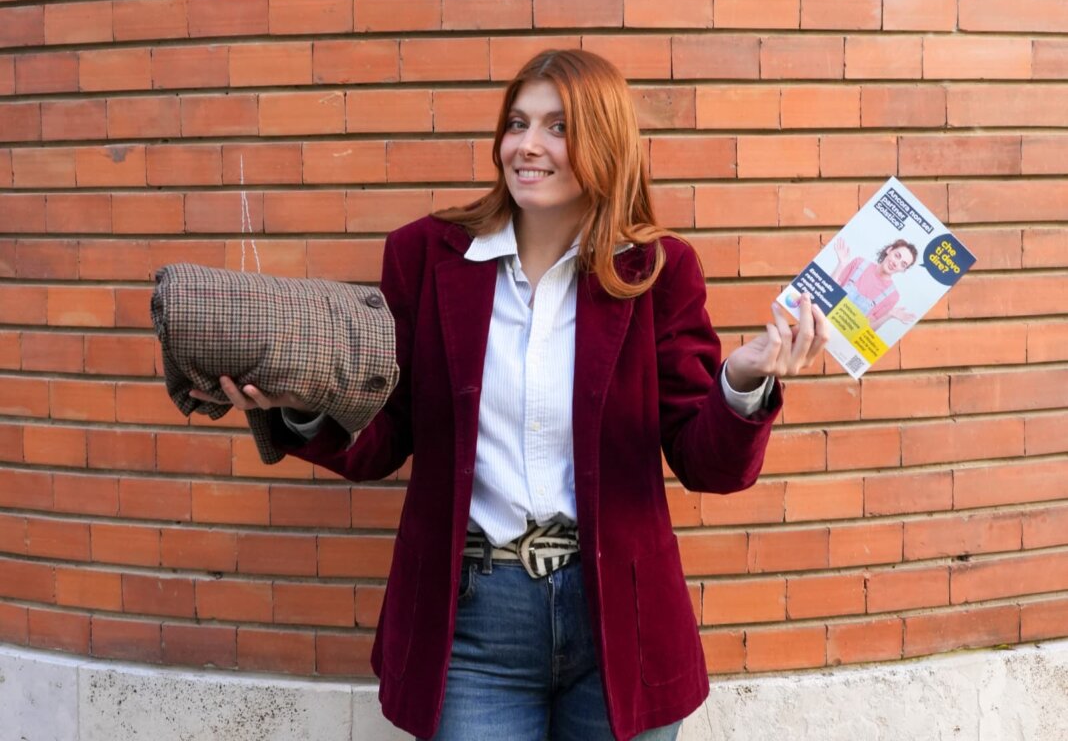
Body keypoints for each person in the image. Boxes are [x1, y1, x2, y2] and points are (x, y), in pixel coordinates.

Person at [192, 50, 830, 741]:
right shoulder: (425, 257)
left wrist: (741, 380)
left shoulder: (657, 272)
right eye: (517, 123)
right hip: (473, 620)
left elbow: (707, 464)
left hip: (619, 619)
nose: (527, 145)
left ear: (606, 142)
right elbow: (385, 434)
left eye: (558, 127)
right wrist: (300, 405)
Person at [830, 237, 918, 331]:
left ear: (903, 270)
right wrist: (841, 264)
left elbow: (867, 330)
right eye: (897, 256)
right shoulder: (859, 263)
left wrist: (889, 315)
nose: (896, 263)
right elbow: (828, 291)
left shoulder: (892, 296)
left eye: (903, 264)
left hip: (844, 334)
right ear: (889, 250)